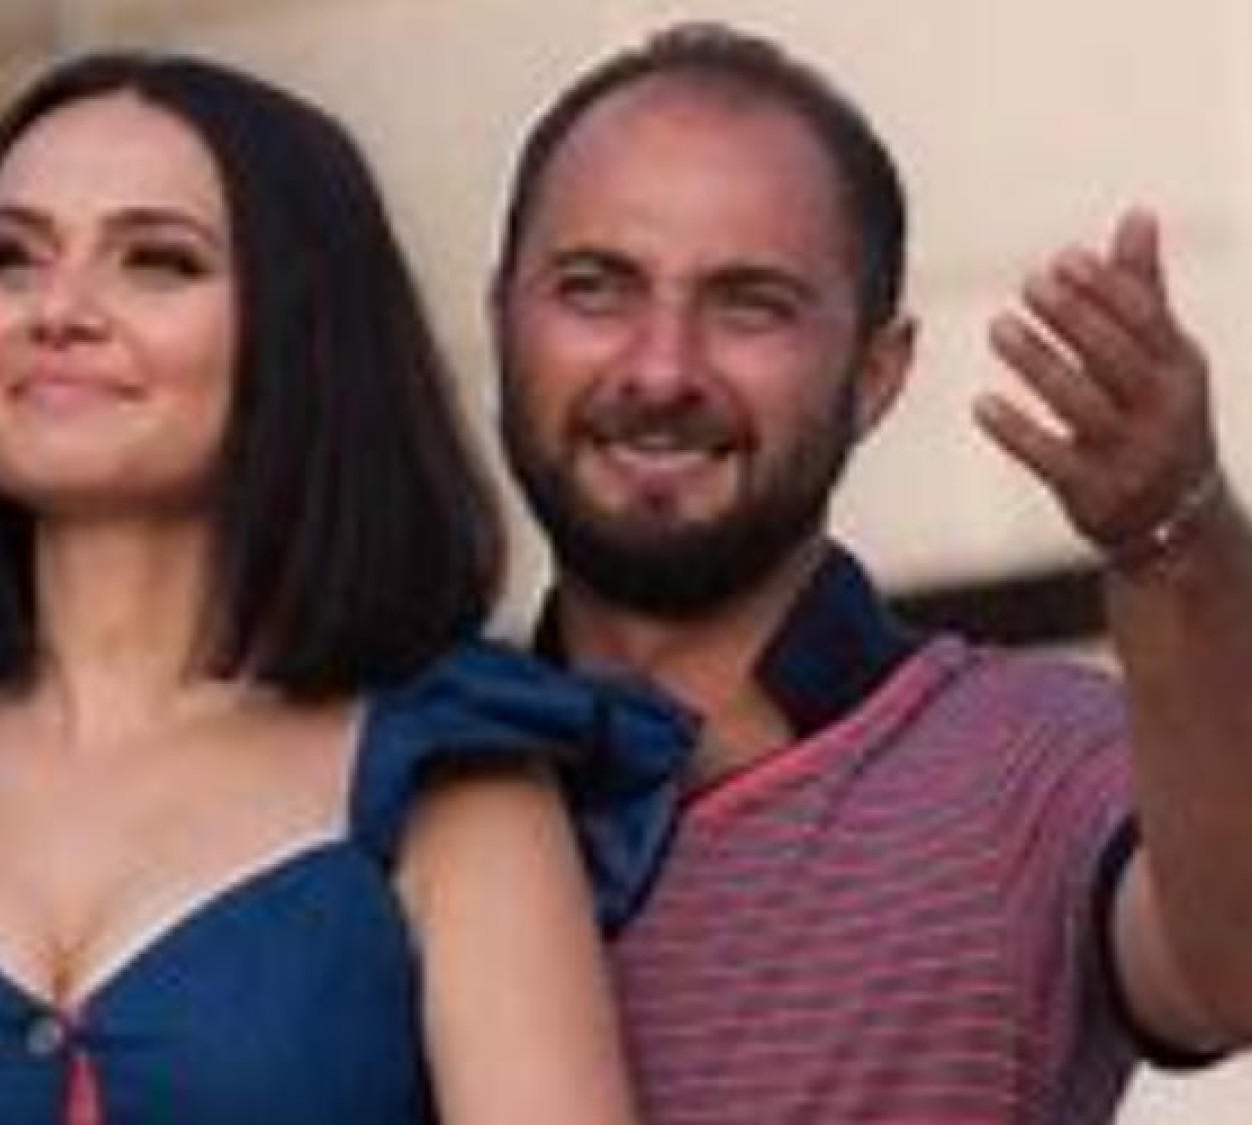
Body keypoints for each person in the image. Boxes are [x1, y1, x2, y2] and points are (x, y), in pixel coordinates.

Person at [0, 52, 692, 1124]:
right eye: (10, 257)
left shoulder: (449, 782)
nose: (58, 310)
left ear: (305, 334)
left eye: (156, 261)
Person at [490, 22, 1252, 1124]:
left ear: (877, 374)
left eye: (750, 303)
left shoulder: (1029, 761)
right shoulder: (413, 774)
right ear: (501, 321)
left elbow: (1231, 970)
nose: (661, 369)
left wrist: (1178, 538)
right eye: (595, 287)